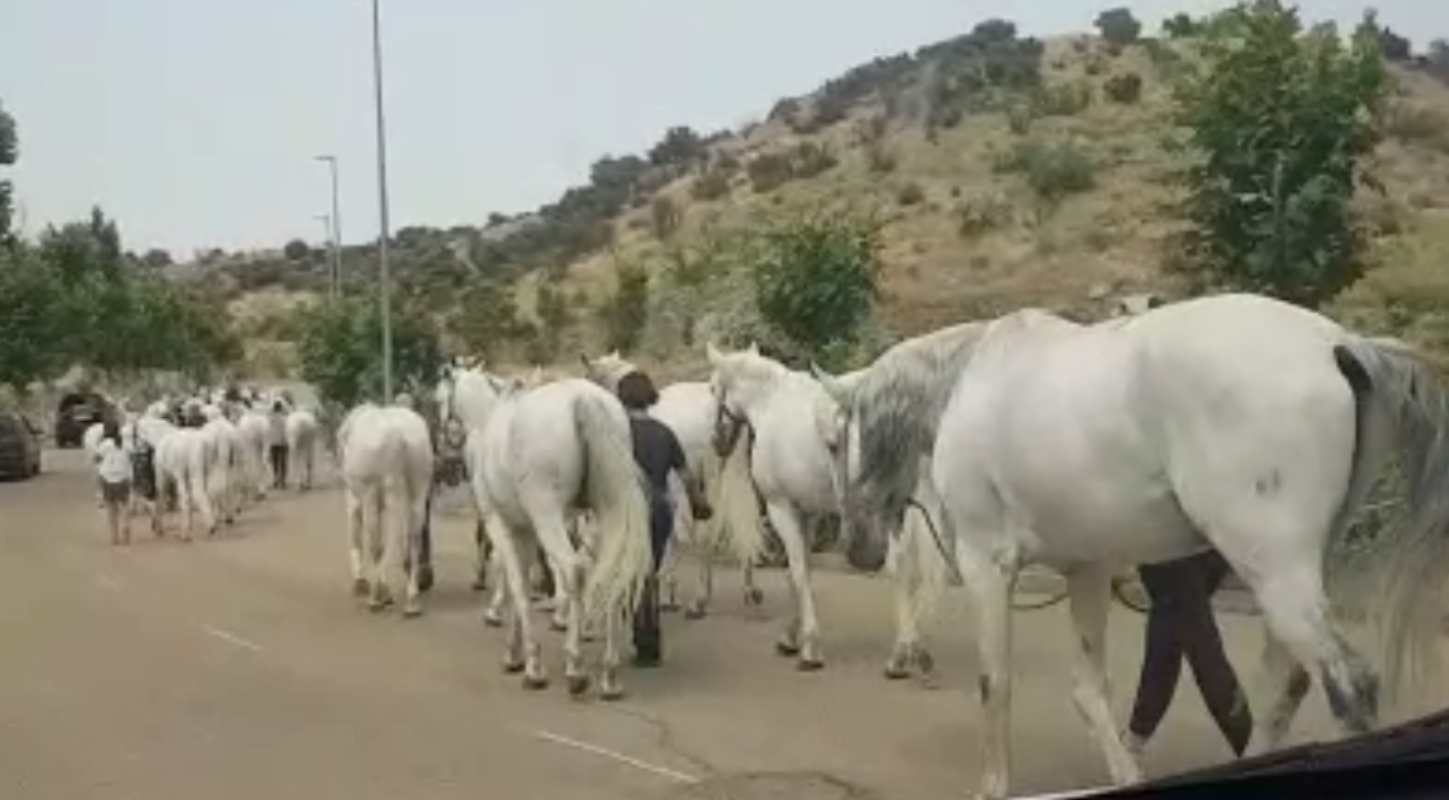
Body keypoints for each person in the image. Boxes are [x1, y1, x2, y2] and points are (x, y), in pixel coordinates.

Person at [616, 370, 711, 667]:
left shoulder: (616, 433)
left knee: (629, 573)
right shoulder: (664, 432)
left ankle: (639, 637)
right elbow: (686, 476)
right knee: (650, 572)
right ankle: (650, 640)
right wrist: (698, 504)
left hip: (625, 507)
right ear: (651, 398)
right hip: (659, 508)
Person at [1125, 549, 1254, 758]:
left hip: (1172, 549)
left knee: (1198, 645)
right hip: (1199, 546)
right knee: (1169, 635)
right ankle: (1135, 738)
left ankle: (1249, 747)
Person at [93, 418, 133, 546]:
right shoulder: (125, 443)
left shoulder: (105, 444)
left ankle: (114, 536)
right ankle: (125, 526)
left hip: (107, 478)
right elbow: (132, 456)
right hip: (123, 477)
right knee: (125, 505)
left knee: (111, 509)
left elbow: (96, 459)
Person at [268, 398, 288, 489]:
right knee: (283, 461)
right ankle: (283, 481)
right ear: (281, 408)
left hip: (273, 442)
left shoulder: (270, 418)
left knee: (274, 461)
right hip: (283, 442)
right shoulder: (285, 419)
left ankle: (275, 479)